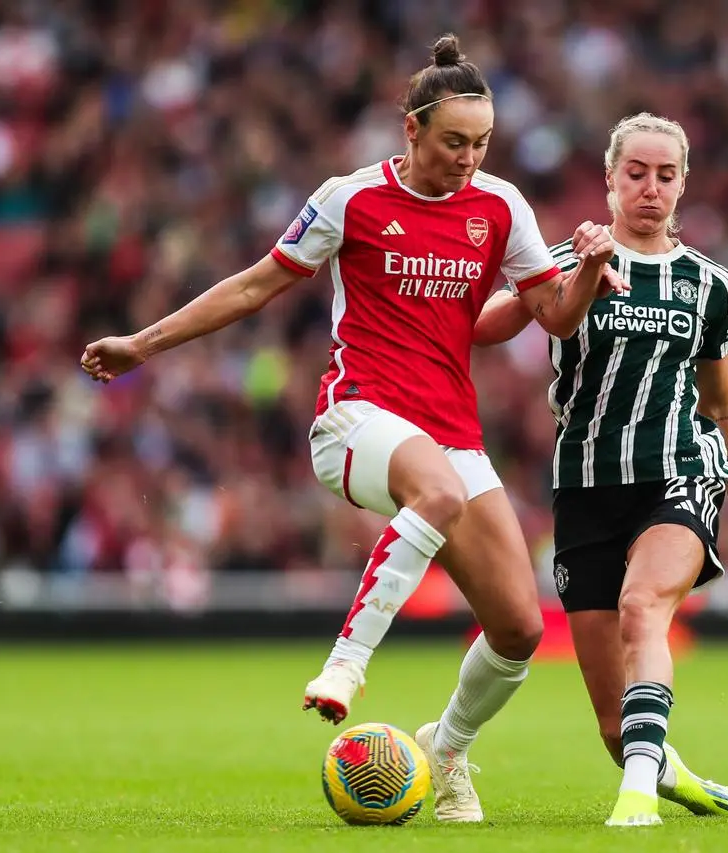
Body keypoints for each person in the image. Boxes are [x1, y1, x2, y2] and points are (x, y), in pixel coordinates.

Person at [79, 35, 626, 823]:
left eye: (481, 144)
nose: (467, 159)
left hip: (452, 434)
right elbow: (254, 286)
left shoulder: (502, 207)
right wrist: (142, 343)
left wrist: (584, 277)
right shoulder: (352, 199)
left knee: (515, 628)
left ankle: (446, 747)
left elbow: (548, 318)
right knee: (435, 492)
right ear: (411, 129)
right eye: (452, 143)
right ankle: (345, 666)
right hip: (356, 416)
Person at [473, 112, 728, 827]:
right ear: (609, 181)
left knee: (645, 610)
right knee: (616, 728)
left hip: (677, 471)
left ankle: (635, 804)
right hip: (584, 489)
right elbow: (483, 327)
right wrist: (576, 271)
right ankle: (669, 776)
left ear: (683, 183)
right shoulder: (564, 257)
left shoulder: (710, 285)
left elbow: (722, 403)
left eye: (665, 175)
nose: (650, 187)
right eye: (635, 173)